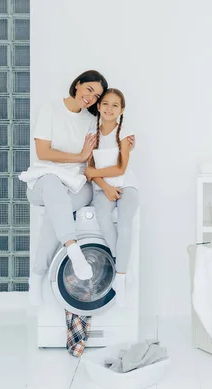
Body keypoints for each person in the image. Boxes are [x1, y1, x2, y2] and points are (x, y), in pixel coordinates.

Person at [18, 70, 131, 305]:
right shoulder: (49, 109)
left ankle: (37, 273)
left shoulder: (91, 121)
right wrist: (79, 155)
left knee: (55, 211)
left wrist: (127, 143)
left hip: (76, 184)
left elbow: (110, 132)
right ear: (78, 85)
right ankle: (73, 248)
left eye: (97, 95)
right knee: (52, 185)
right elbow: (43, 153)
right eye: (89, 89)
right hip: (43, 180)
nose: (91, 97)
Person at [84, 88, 139, 305]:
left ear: (122, 110)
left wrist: (94, 174)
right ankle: (121, 263)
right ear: (98, 106)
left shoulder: (125, 132)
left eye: (115, 105)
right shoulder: (92, 132)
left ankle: (121, 277)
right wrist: (105, 187)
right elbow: (88, 166)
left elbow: (120, 168)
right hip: (101, 188)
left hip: (127, 186)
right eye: (105, 103)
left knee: (124, 225)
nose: (109, 108)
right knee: (104, 219)